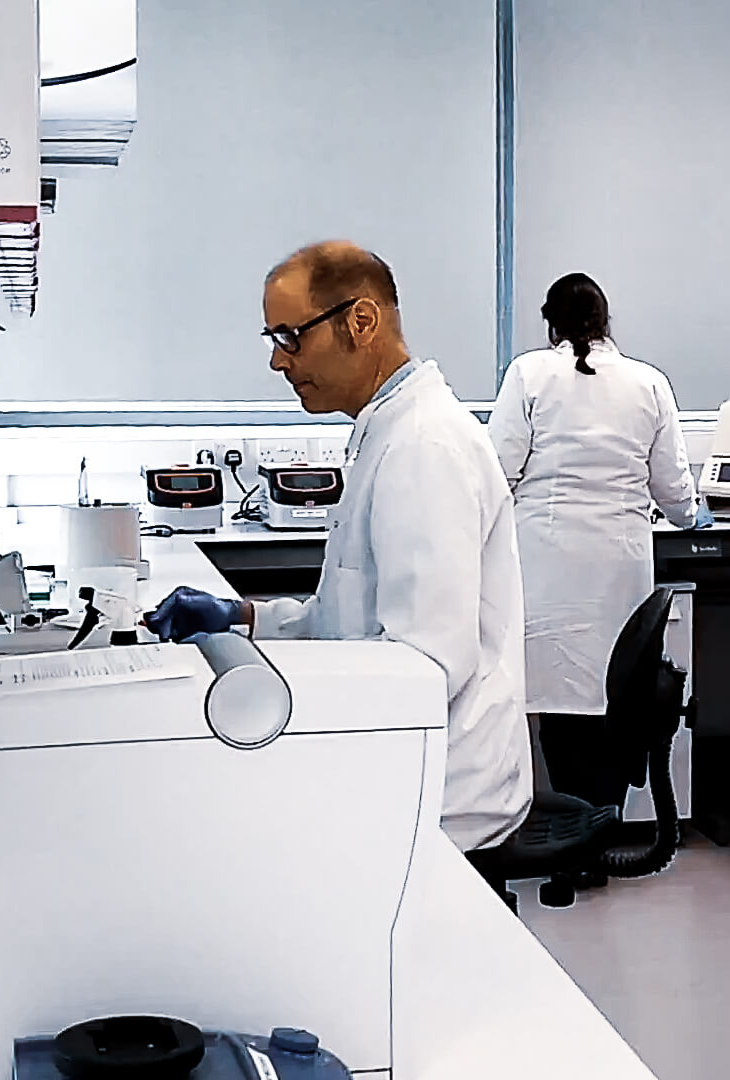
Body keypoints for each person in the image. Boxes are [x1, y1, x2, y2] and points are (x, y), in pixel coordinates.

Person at [145, 240, 533, 854]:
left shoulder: (423, 447)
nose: (278, 361)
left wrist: (288, 697)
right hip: (406, 764)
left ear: (361, 321)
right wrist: (242, 618)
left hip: (441, 794)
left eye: (290, 337)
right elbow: (351, 619)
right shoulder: (387, 433)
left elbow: (426, 666)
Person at [487, 272, 709, 810]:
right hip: (619, 566)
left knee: (557, 698)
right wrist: (695, 515)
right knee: (616, 694)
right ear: (606, 321)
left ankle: (571, 824)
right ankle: (603, 824)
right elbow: (673, 490)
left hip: (547, 564)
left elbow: (496, 473)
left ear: (551, 324)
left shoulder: (529, 374)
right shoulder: (648, 383)